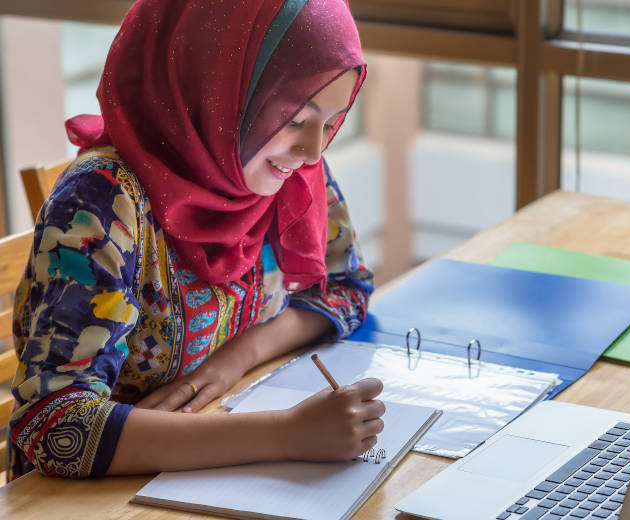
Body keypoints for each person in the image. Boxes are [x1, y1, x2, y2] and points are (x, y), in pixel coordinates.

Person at [8, 0, 384, 481]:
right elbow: (54, 425)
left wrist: (235, 359)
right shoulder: (102, 202)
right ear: (217, 91)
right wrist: (286, 434)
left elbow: (345, 285)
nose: (313, 148)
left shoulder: (286, 173)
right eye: (294, 118)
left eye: (330, 124)